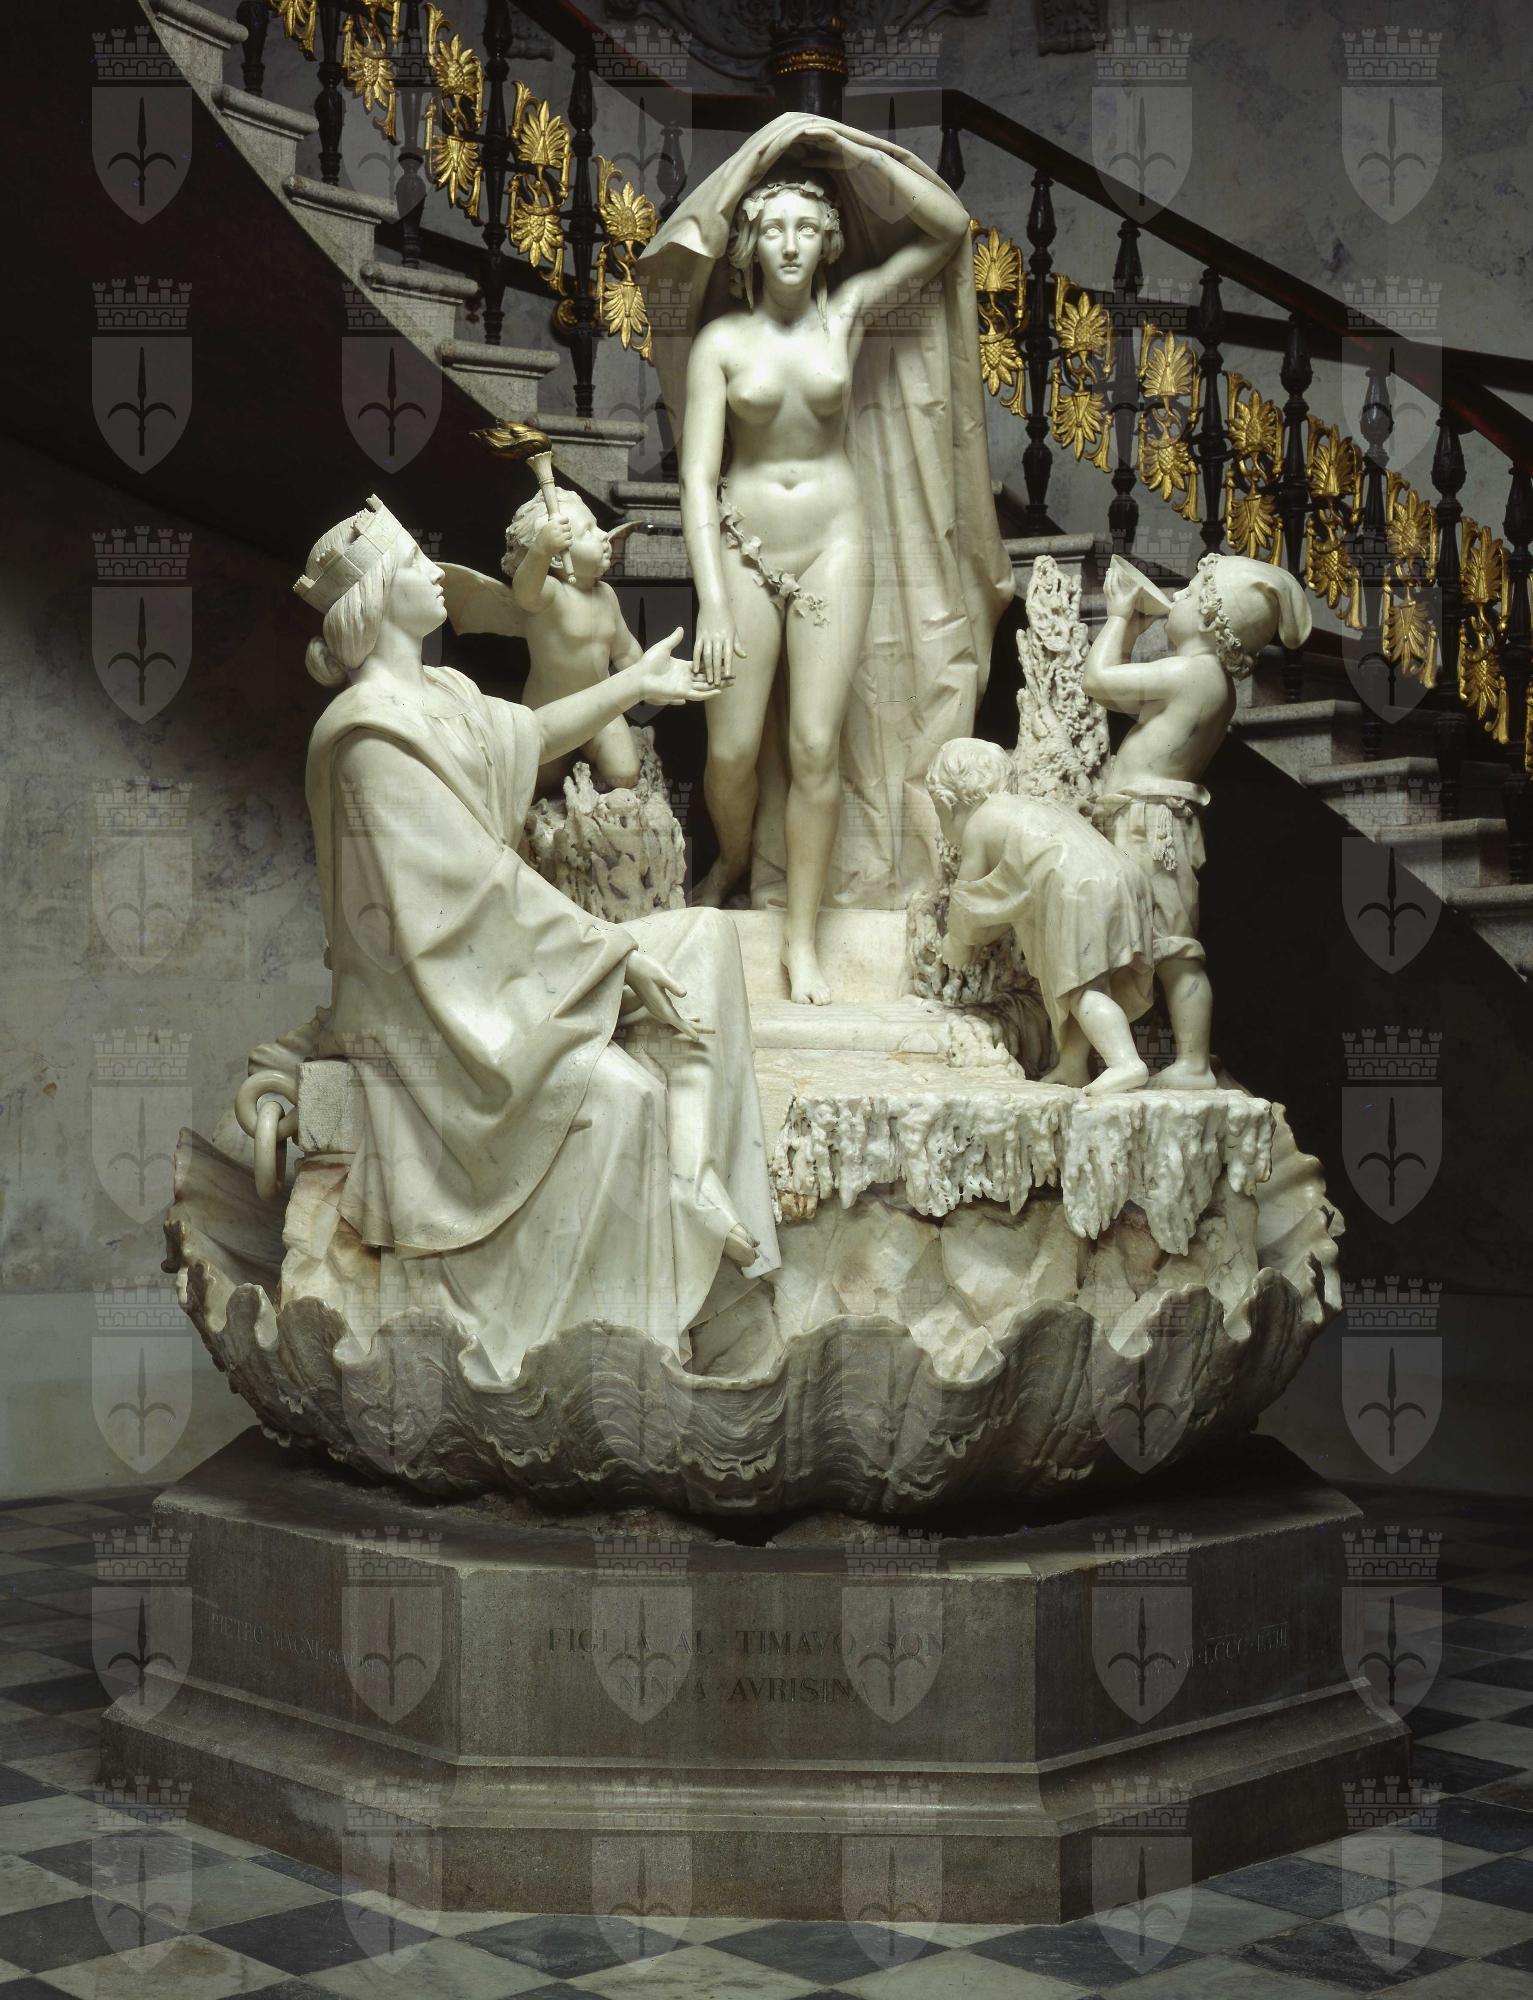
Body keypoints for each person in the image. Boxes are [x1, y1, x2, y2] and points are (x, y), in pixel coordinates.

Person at [293, 495, 780, 1382]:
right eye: (414, 565)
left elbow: (531, 734)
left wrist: (635, 685)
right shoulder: (367, 738)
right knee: (619, 1098)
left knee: (707, 937)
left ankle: (695, 1182)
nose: (437, 574)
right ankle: (612, 1341)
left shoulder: (441, 694)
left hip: (500, 968)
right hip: (435, 1014)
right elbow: (466, 890)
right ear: (376, 601)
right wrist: (609, 954)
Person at [641, 112, 1013, 1001]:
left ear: (827, 240)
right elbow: (695, 477)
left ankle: (801, 940)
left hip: (836, 543)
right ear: (748, 244)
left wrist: (842, 145)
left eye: (806, 227)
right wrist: (713, 601)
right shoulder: (721, 343)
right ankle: (735, 859)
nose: (790, 243)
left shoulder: (844, 315)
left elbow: (947, 228)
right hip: (744, 547)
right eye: (773, 227)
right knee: (731, 751)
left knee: (815, 746)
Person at [1082, 552, 1312, 1089]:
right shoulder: (1208, 680)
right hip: (1145, 818)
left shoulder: (1193, 673)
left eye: (1188, 594)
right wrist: (1131, 631)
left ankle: (1193, 1064)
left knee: (1174, 950)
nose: (1176, 597)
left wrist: (1118, 616)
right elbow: (1123, 695)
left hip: (1150, 826)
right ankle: (1128, 1056)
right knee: (1154, 943)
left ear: (1212, 619)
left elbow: (1098, 680)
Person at [927, 739, 1156, 1094]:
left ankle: (1125, 1062)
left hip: (1078, 888)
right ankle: (1073, 1066)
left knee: (1084, 992)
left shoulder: (980, 823)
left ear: (948, 803)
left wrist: (956, 944)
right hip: (1123, 878)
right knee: (1075, 985)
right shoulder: (1037, 806)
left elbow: (967, 902)